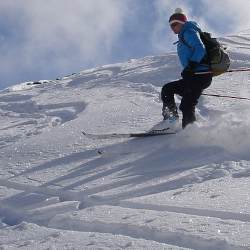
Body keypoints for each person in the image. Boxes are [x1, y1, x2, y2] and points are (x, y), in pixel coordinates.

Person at [161, 8, 213, 129]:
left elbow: (200, 48)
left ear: (182, 23)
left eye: (175, 24)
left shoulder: (188, 31)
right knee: (167, 89)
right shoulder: (184, 35)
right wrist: (189, 70)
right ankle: (171, 121)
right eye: (170, 25)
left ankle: (190, 133)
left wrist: (191, 66)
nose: (172, 27)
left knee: (187, 105)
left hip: (200, 75)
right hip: (194, 76)